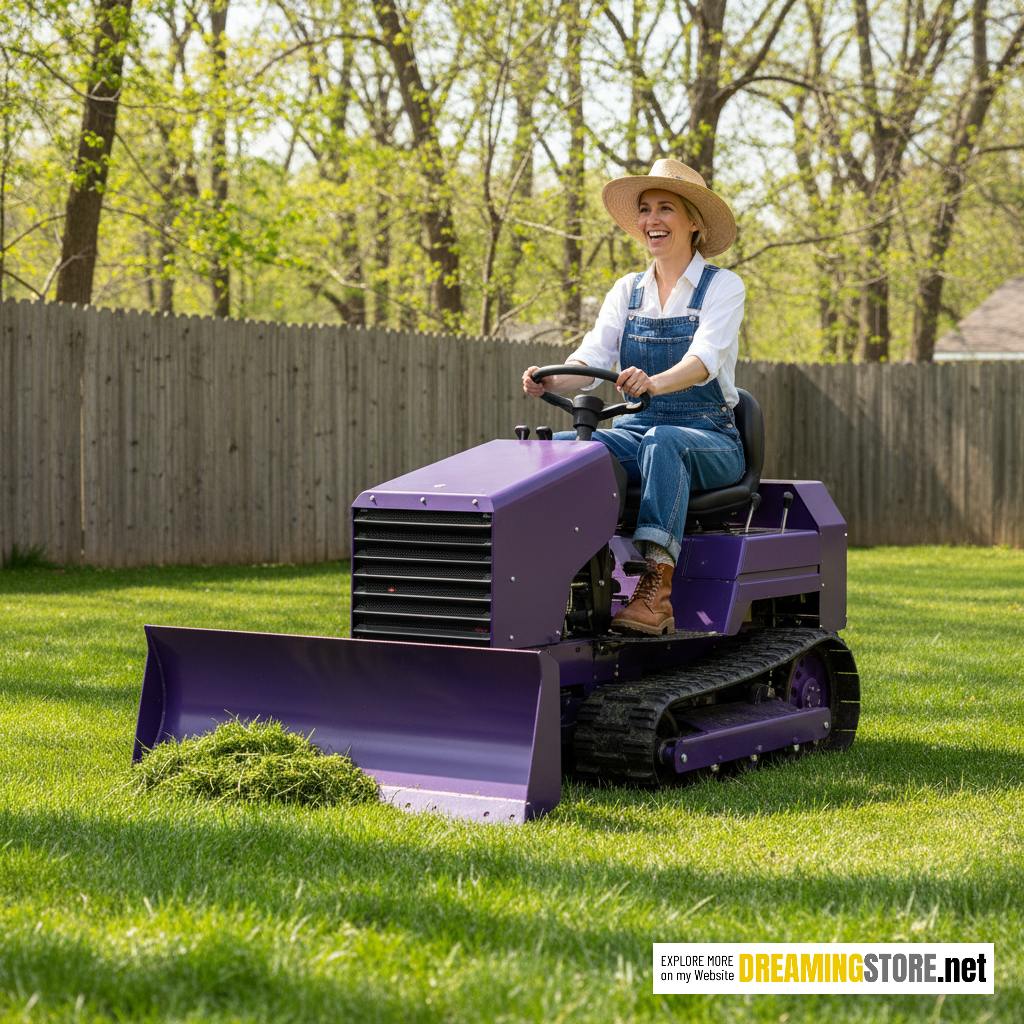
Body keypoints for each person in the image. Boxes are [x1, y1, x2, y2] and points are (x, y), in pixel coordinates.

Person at [522, 158, 745, 636]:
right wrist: (550, 381)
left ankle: (655, 591)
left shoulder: (722, 287)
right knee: (561, 453)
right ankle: (557, 576)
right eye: (645, 209)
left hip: (708, 435)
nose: (651, 220)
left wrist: (655, 382)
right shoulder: (628, 291)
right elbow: (590, 358)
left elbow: (704, 360)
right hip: (634, 429)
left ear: (694, 222)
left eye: (666, 208)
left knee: (664, 441)